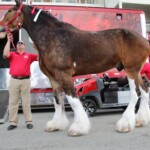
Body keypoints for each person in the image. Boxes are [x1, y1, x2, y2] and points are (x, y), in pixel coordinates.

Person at [3, 33, 38, 130]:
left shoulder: (29, 55)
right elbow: (5, 54)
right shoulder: (13, 54)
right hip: (14, 80)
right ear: (17, 46)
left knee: (26, 102)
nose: (20, 44)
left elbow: (40, 57)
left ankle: (29, 121)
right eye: (18, 43)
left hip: (25, 81)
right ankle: (13, 122)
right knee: (13, 102)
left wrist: (37, 47)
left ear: (24, 46)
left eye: (22, 43)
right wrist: (9, 41)